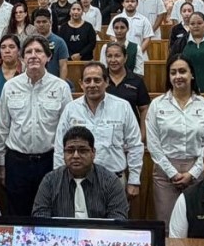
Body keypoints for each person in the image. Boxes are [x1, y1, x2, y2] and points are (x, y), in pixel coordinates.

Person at [0, 35, 72, 216]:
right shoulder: (10, 87)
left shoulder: (61, 88)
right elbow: (2, 127)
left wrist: (62, 165)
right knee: (17, 214)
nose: (33, 55)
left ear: (48, 57)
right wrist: (1, 164)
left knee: (48, 213)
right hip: (17, 162)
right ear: (22, 58)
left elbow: (67, 130)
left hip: (49, 161)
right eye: (28, 52)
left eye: (38, 51)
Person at [146, 56, 204, 225]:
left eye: (182, 71)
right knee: (166, 224)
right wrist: (173, 173)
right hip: (165, 173)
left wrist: (192, 174)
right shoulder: (157, 105)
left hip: (198, 171)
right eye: (173, 72)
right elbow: (153, 144)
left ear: (192, 75)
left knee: (198, 224)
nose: (178, 76)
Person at [55, 63, 143, 199]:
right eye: (87, 80)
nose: (92, 85)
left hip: (114, 179)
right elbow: (60, 147)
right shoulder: (71, 109)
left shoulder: (122, 107)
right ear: (81, 84)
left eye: (97, 80)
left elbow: (135, 145)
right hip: (77, 181)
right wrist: (59, 179)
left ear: (106, 82)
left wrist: (134, 180)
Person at [32, 126, 130, 219]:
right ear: (63, 154)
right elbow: (40, 217)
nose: (76, 156)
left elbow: (118, 219)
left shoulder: (110, 182)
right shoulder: (50, 182)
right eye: (70, 151)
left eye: (82, 151)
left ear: (93, 153)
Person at [105, 41, 150, 128]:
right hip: (105, 130)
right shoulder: (100, 80)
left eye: (117, 56)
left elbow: (144, 109)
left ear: (125, 58)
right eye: (109, 56)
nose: (113, 60)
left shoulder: (136, 80)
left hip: (131, 130)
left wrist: (142, 134)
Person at [109, 0, 155, 72]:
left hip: (140, 54)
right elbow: (112, 35)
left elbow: (147, 38)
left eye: (132, 1)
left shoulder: (144, 20)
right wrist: (120, 51)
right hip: (119, 55)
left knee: (139, 77)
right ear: (123, 4)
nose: (130, 3)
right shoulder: (116, 19)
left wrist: (137, 52)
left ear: (137, 4)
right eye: (127, 1)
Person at [31, 9, 69, 79]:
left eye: (44, 22)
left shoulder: (59, 42)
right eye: (38, 22)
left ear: (50, 22)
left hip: (53, 82)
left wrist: (61, 83)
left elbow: (63, 66)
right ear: (34, 23)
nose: (41, 24)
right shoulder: (29, 42)